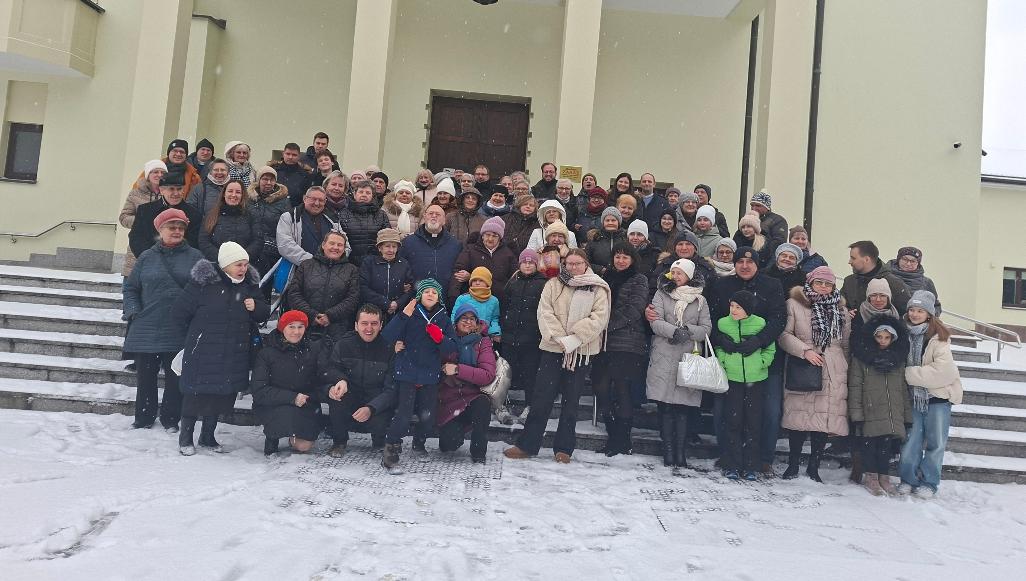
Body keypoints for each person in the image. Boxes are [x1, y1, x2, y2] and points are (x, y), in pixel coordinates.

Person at [504, 249, 611, 463]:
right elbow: (544, 312)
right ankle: (528, 444)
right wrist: (561, 338)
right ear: (564, 264)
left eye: (578, 263)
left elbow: (599, 318)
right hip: (553, 348)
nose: (573, 267)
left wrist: (575, 338)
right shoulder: (553, 284)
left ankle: (564, 448)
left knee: (571, 401)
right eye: (569, 263)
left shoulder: (598, 287)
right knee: (541, 398)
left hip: (580, 352)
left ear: (586, 264)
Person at [172, 242, 269, 455]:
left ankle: (208, 436)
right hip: (203, 351)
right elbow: (179, 313)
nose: (243, 269)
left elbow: (264, 313)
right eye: (238, 264)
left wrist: (256, 307)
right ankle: (185, 438)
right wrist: (193, 338)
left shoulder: (249, 285)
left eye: (245, 264)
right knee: (194, 395)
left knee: (220, 396)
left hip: (233, 351)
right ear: (225, 265)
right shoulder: (203, 283)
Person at [704, 247, 787, 474]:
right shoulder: (722, 285)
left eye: (749, 262)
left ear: (757, 264)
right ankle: (728, 456)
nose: (744, 265)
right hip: (729, 362)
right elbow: (711, 317)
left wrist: (759, 341)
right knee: (724, 412)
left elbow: (779, 318)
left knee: (769, 413)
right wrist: (722, 341)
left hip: (761, 363)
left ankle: (763, 458)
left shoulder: (772, 285)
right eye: (739, 261)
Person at [121, 208, 203, 430]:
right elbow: (131, 288)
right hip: (147, 325)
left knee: (175, 377)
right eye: (171, 227)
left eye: (180, 228)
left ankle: (170, 418)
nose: (176, 231)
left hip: (179, 327)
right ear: (160, 230)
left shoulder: (196, 257)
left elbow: (205, 290)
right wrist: (133, 310)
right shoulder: (147, 257)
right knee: (145, 377)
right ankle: (144, 417)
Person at [778, 266, 851, 482]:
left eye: (828, 284)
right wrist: (805, 351)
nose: (824, 287)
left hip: (833, 368)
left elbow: (845, 343)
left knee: (823, 420)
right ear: (810, 283)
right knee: (799, 417)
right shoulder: (794, 304)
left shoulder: (841, 310)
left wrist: (844, 366)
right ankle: (793, 464)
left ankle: (814, 467)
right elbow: (784, 335)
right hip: (804, 365)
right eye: (819, 283)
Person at [380, 279, 458, 471]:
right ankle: (391, 447)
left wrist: (440, 338)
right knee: (403, 415)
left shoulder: (443, 318)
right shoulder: (409, 313)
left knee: (428, 416)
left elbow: (452, 348)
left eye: (434, 292)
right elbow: (387, 335)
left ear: (439, 297)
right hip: (407, 371)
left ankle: (419, 442)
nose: (430, 294)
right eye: (426, 291)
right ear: (419, 295)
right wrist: (403, 316)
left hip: (429, 374)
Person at [646, 258, 711, 468]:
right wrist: (674, 331)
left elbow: (706, 328)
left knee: (683, 408)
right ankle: (668, 452)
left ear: (688, 276)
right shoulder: (661, 294)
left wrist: (688, 331)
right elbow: (655, 321)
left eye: (679, 273)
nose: (675, 276)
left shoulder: (700, 300)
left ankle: (680, 453)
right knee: (665, 407)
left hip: (688, 356)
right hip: (664, 354)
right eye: (673, 272)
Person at [899, 290, 962, 497]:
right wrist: (923, 375)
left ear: (929, 314)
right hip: (912, 399)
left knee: (936, 444)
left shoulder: (939, 337)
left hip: (938, 399)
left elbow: (943, 372)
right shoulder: (901, 333)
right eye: (912, 310)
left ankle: (929, 483)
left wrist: (907, 374)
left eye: (920, 310)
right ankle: (908, 479)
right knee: (910, 443)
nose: (915, 314)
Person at [593, 243, 649, 457]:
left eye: (626, 257)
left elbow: (634, 309)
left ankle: (622, 440)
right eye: (617, 256)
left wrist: (605, 325)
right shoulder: (605, 277)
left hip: (628, 342)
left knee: (622, 389)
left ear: (633, 259)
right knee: (601, 387)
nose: (621, 260)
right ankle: (614, 435)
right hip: (604, 342)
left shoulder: (639, 279)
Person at [715, 290, 777, 481]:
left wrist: (761, 363)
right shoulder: (723, 323)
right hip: (732, 379)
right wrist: (724, 361)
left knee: (753, 423)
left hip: (755, 380)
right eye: (732, 306)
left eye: (738, 307)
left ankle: (751, 465)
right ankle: (732, 464)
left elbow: (770, 348)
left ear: (748, 309)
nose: (733, 310)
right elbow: (718, 347)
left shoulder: (760, 324)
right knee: (733, 421)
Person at [320, 304, 398, 456]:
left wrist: (371, 408)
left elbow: (392, 389)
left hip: (376, 400)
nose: (369, 328)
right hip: (351, 395)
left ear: (381, 325)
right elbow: (330, 369)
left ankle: (379, 441)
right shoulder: (343, 344)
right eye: (364, 323)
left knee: (383, 418)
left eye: (374, 323)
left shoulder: (389, 348)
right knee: (336, 398)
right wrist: (340, 380)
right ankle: (339, 442)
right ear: (356, 325)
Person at [848, 316, 910, 496]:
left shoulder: (897, 361)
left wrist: (906, 415)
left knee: (886, 447)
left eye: (887, 337)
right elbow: (855, 386)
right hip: (870, 408)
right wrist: (856, 414)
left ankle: (884, 477)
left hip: (891, 411)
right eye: (879, 337)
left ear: (893, 339)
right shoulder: (862, 358)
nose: (883, 341)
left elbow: (902, 389)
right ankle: (871, 477)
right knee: (870, 445)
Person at [250, 310, 326, 455]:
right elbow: (259, 390)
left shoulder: (312, 349)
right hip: (274, 402)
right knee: (280, 420)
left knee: (304, 446)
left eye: (300, 327)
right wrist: (292, 398)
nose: (296, 332)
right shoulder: (267, 353)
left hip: (305, 401)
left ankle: (292, 436)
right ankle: (272, 436)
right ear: (282, 328)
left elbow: (322, 376)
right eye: (291, 326)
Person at [437, 304, 498, 463]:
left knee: (483, 403)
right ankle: (454, 430)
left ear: (477, 323)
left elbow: (487, 374)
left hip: (472, 397)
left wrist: (458, 369)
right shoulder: (446, 340)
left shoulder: (483, 342)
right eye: (464, 318)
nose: (468, 321)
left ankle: (478, 452)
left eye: (472, 319)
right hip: (449, 401)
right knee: (448, 445)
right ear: (456, 321)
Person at [498, 249, 547, 425]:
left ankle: (529, 406)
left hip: (532, 338)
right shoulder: (513, 282)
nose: (527, 265)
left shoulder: (543, 283)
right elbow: (505, 306)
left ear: (536, 265)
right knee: (505, 373)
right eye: (524, 262)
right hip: (510, 336)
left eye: (531, 262)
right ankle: (500, 405)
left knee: (530, 374)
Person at [286, 230, 360, 342]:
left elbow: (352, 299)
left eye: (340, 245)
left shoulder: (352, 270)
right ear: (323, 245)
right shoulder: (306, 265)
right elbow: (294, 294)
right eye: (332, 243)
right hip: (305, 325)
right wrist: (312, 315)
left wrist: (330, 316)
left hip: (338, 328)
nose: (335, 247)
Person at [129, 173, 203, 263]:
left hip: (180, 264)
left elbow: (194, 242)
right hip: (150, 262)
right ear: (161, 190)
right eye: (171, 189)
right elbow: (136, 237)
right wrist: (150, 258)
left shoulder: (194, 214)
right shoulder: (145, 210)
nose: (176, 193)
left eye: (179, 189)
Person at [400, 204, 463, 296]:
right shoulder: (408, 242)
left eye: (438, 214)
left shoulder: (455, 245)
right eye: (430, 213)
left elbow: (459, 270)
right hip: (415, 295)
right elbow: (401, 267)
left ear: (444, 220)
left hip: (445, 295)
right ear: (424, 217)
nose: (434, 216)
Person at [450, 217, 517, 303]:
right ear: (482, 236)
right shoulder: (470, 250)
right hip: (472, 301)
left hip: (499, 302)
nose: (490, 239)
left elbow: (514, 279)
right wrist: (453, 298)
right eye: (487, 235)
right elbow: (458, 273)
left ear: (500, 238)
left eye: (494, 236)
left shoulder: (508, 254)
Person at [276, 186, 342, 269]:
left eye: (321, 200)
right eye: (313, 199)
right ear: (305, 199)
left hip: (329, 269)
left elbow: (345, 245)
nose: (317, 203)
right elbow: (285, 245)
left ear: (325, 202)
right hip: (298, 269)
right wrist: (312, 262)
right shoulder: (289, 217)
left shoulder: (333, 220)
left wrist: (333, 260)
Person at [120, 159, 167, 275]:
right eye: (155, 172)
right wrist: (142, 221)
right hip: (137, 246)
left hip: (161, 244)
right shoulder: (135, 193)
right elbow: (124, 218)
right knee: (132, 282)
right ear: (148, 175)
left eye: (162, 172)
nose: (159, 175)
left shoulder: (170, 194)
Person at [841, 240, 913, 315]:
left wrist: (889, 320)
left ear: (866, 259)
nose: (849, 262)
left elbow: (907, 314)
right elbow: (840, 306)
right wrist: (846, 312)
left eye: (853, 258)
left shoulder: (894, 284)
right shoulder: (849, 281)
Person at [198, 179, 262, 264]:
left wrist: (242, 258)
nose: (233, 195)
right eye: (230, 191)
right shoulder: (211, 215)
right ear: (224, 194)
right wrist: (223, 259)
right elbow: (204, 241)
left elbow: (258, 240)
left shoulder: (251, 215)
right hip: (217, 264)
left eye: (238, 192)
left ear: (242, 195)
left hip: (245, 265)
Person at [359, 229, 414, 320]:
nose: (391, 250)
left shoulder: (404, 264)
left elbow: (410, 288)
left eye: (394, 246)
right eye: (387, 246)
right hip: (373, 312)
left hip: (397, 313)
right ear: (380, 248)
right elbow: (363, 287)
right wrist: (386, 303)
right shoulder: (369, 263)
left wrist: (398, 303)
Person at [248, 165, 292, 277]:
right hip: (250, 244)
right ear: (258, 180)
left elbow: (287, 228)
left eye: (271, 179)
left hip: (271, 248)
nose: (268, 182)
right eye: (265, 179)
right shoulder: (249, 199)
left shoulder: (284, 202)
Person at [338, 180, 391, 265]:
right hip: (349, 262)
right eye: (361, 192)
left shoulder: (381, 215)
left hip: (375, 262)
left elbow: (387, 239)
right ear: (354, 194)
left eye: (368, 193)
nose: (364, 195)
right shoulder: (343, 213)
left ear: (372, 196)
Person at [451, 266, 502, 340]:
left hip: (485, 338)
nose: (477, 283)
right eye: (474, 280)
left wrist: (495, 332)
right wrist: (454, 331)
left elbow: (495, 319)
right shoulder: (462, 298)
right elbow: (454, 317)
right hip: (464, 336)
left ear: (488, 282)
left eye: (481, 280)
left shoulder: (494, 301)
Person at [888, 247, 942, 314]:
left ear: (918, 263)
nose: (908, 264)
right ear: (898, 259)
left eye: (913, 261)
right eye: (905, 259)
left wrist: (928, 317)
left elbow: (936, 306)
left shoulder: (926, 282)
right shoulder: (885, 275)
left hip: (913, 319)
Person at [585, 207, 626, 276]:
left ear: (618, 222)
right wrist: (600, 270)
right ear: (603, 222)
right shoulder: (595, 239)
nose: (610, 223)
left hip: (622, 277)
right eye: (607, 220)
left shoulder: (625, 238)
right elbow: (585, 261)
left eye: (613, 220)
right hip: (599, 278)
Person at [270, 143, 312, 207]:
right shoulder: (273, 171)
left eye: (294, 155)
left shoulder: (305, 175)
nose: (290, 157)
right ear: (283, 154)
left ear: (299, 156)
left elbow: (306, 197)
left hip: (295, 209)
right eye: (288, 154)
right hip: (273, 208)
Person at [748, 190, 788, 256]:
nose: (753, 208)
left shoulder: (778, 221)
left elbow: (778, 243)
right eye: (752, 205)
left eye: (758, 205)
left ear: (766, 207)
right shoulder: (748, 219)